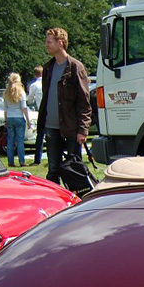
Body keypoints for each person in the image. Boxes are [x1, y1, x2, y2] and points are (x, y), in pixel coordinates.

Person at [37, 28, 91, 184]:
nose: (46, 45)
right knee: (53, 168)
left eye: (49, 42)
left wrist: (82, 129)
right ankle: (55, 202)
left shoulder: (76, 67)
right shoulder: (47, 68)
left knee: (73, 168)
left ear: (60, 43)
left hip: (71, 127)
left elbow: (84, 101)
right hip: (51, 126)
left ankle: (77, 202)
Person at [3, 73, 30, 167]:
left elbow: (5, 109)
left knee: (10, 140)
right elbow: (24, 107)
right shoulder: (21, 92)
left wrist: (5, 120)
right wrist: (28, 120)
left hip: (10, 117)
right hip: (19, 116)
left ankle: (10, 161)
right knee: (20, 140)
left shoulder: (6, 93)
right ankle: (21, 161)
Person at [26, 65, 45, 164]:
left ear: (35, 74)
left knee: (40, 136)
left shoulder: (34, 85)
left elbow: (30, 100)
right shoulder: (47, 82)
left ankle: (37, 159)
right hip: (52, 110)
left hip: (41, 111)